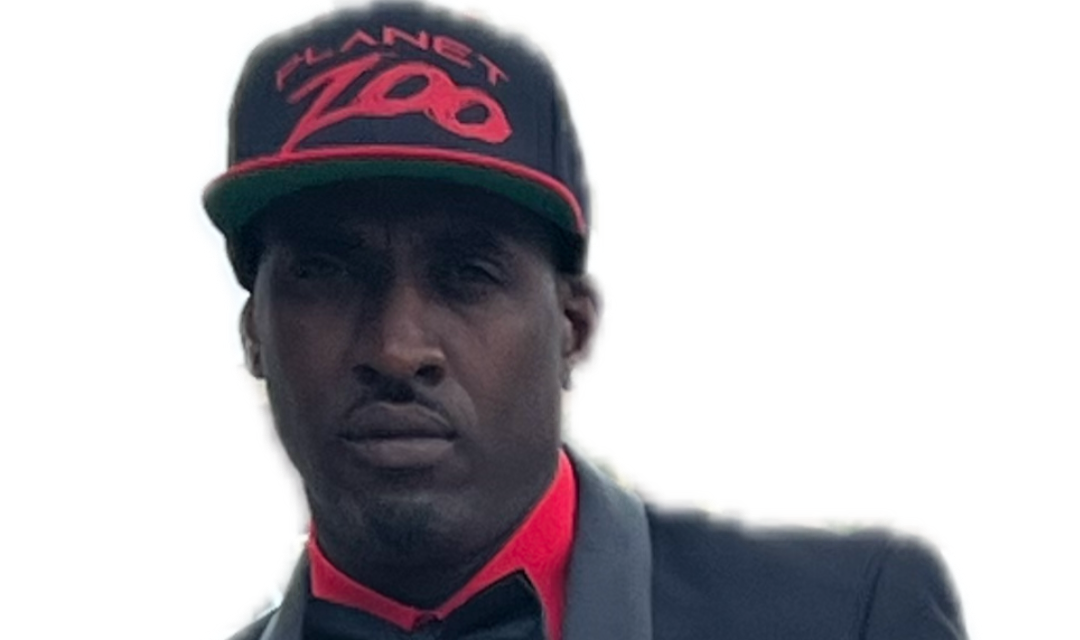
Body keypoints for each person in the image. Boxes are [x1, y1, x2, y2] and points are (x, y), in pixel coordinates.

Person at [201, 1, 970, 638]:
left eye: (468, 273)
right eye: (324, 271)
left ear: (576, 331)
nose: (397, 347)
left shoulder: (844, 616)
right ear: (254, 332)